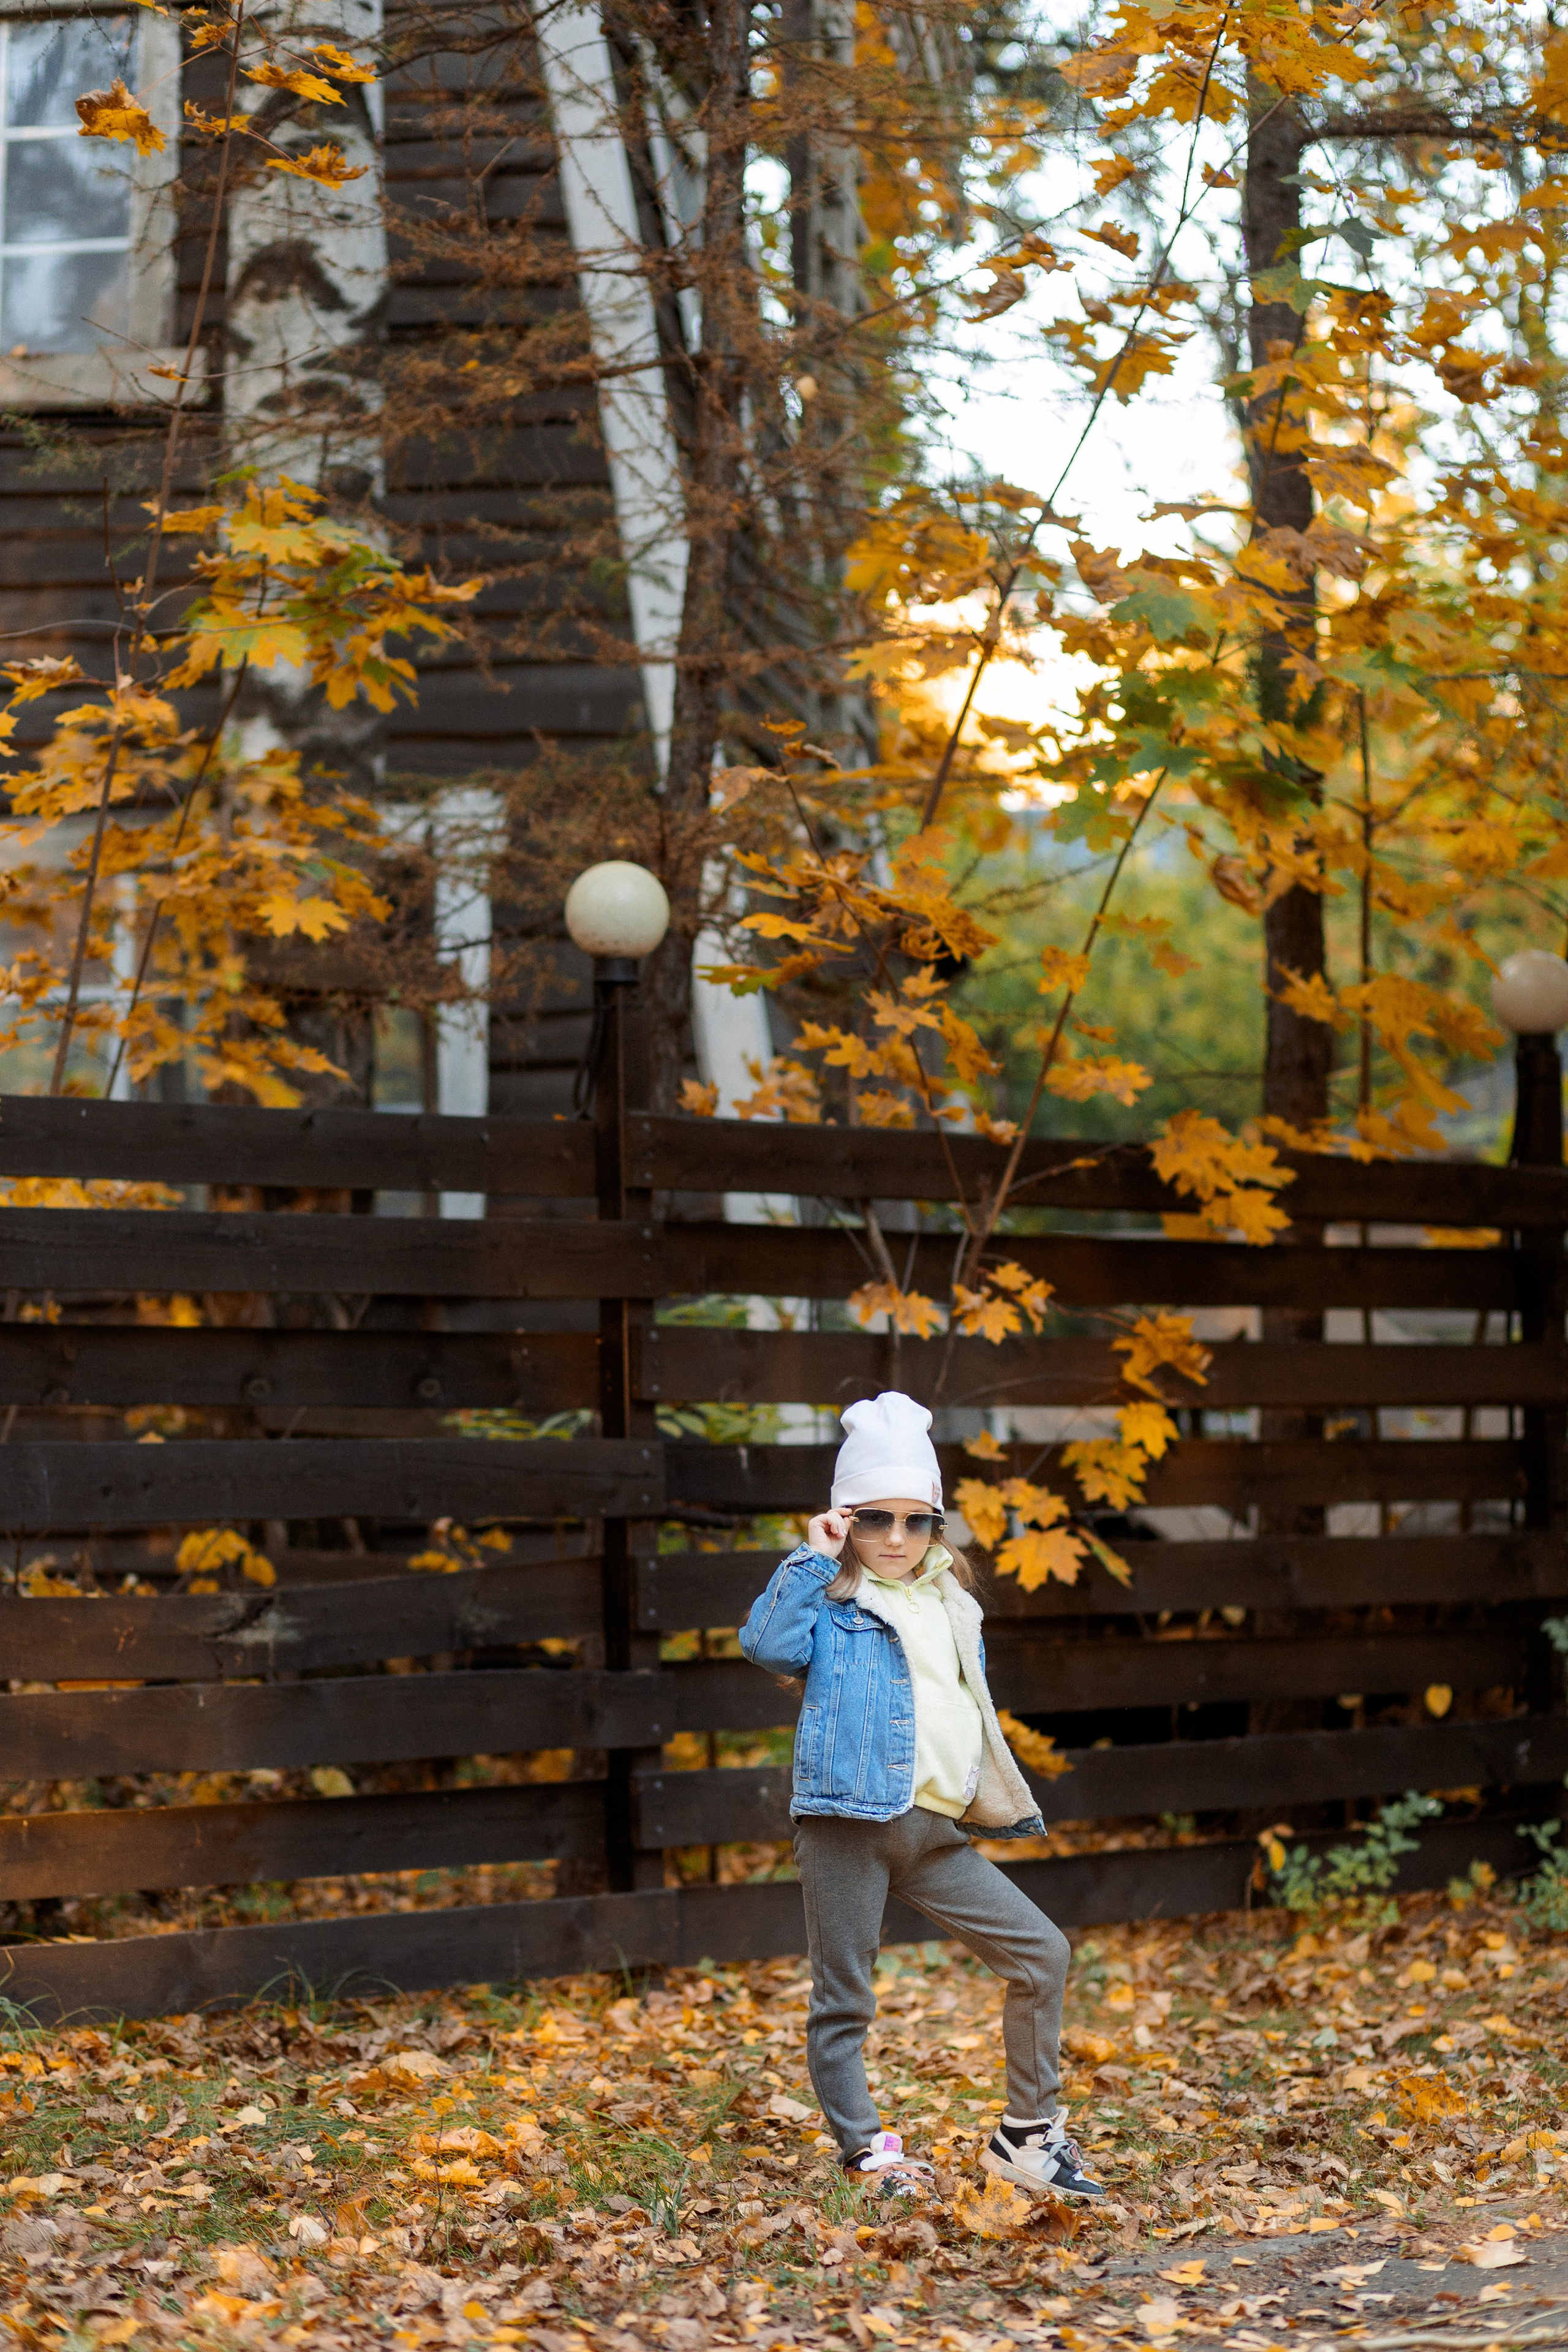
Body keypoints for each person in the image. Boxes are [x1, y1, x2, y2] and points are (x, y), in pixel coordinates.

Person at [740, 1390, 1104, 2205]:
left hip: (933, 1830)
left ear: (936, 1525)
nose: (896, 1538)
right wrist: (811, 1557)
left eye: (915, 1520)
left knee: (1041, 1953)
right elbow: (765, 1646)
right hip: (848, 1828)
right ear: (845, 1521)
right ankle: (867, 2153)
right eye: (875, 1519)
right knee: (847, 1996)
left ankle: (1026, 2139)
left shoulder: (953, 1606)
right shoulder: (832, 1607)